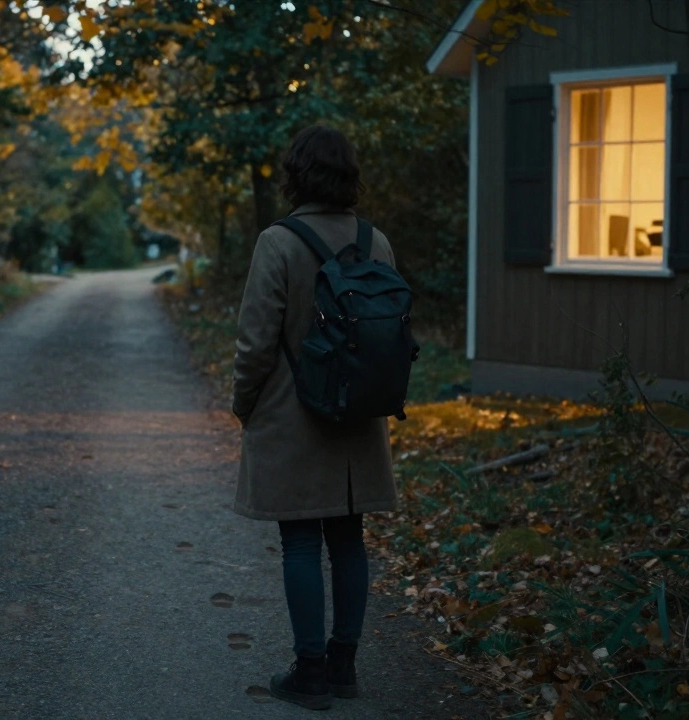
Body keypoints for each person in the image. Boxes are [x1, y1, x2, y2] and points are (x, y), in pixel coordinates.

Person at [231, 126, 398, 711]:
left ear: (295, 174)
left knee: (301, 541)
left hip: (292, 414)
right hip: (358, 416)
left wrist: (243, 404)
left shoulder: (278, 242)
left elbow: (255, 344)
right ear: (349, 173)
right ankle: (345, 667)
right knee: (349, 539)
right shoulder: (376, 241)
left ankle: (310, 673)